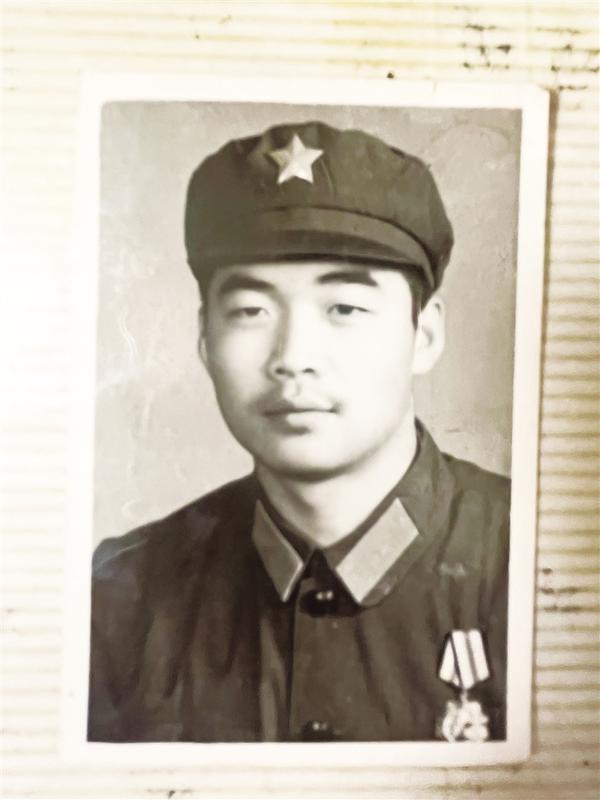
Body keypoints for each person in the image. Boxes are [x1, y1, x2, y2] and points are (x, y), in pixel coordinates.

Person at [88, 121, 510, 743]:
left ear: (424, 336)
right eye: (250, 311)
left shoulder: (541, 566)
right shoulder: (117, 599)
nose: (293, 358)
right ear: (205, 339)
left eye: (345, 308)